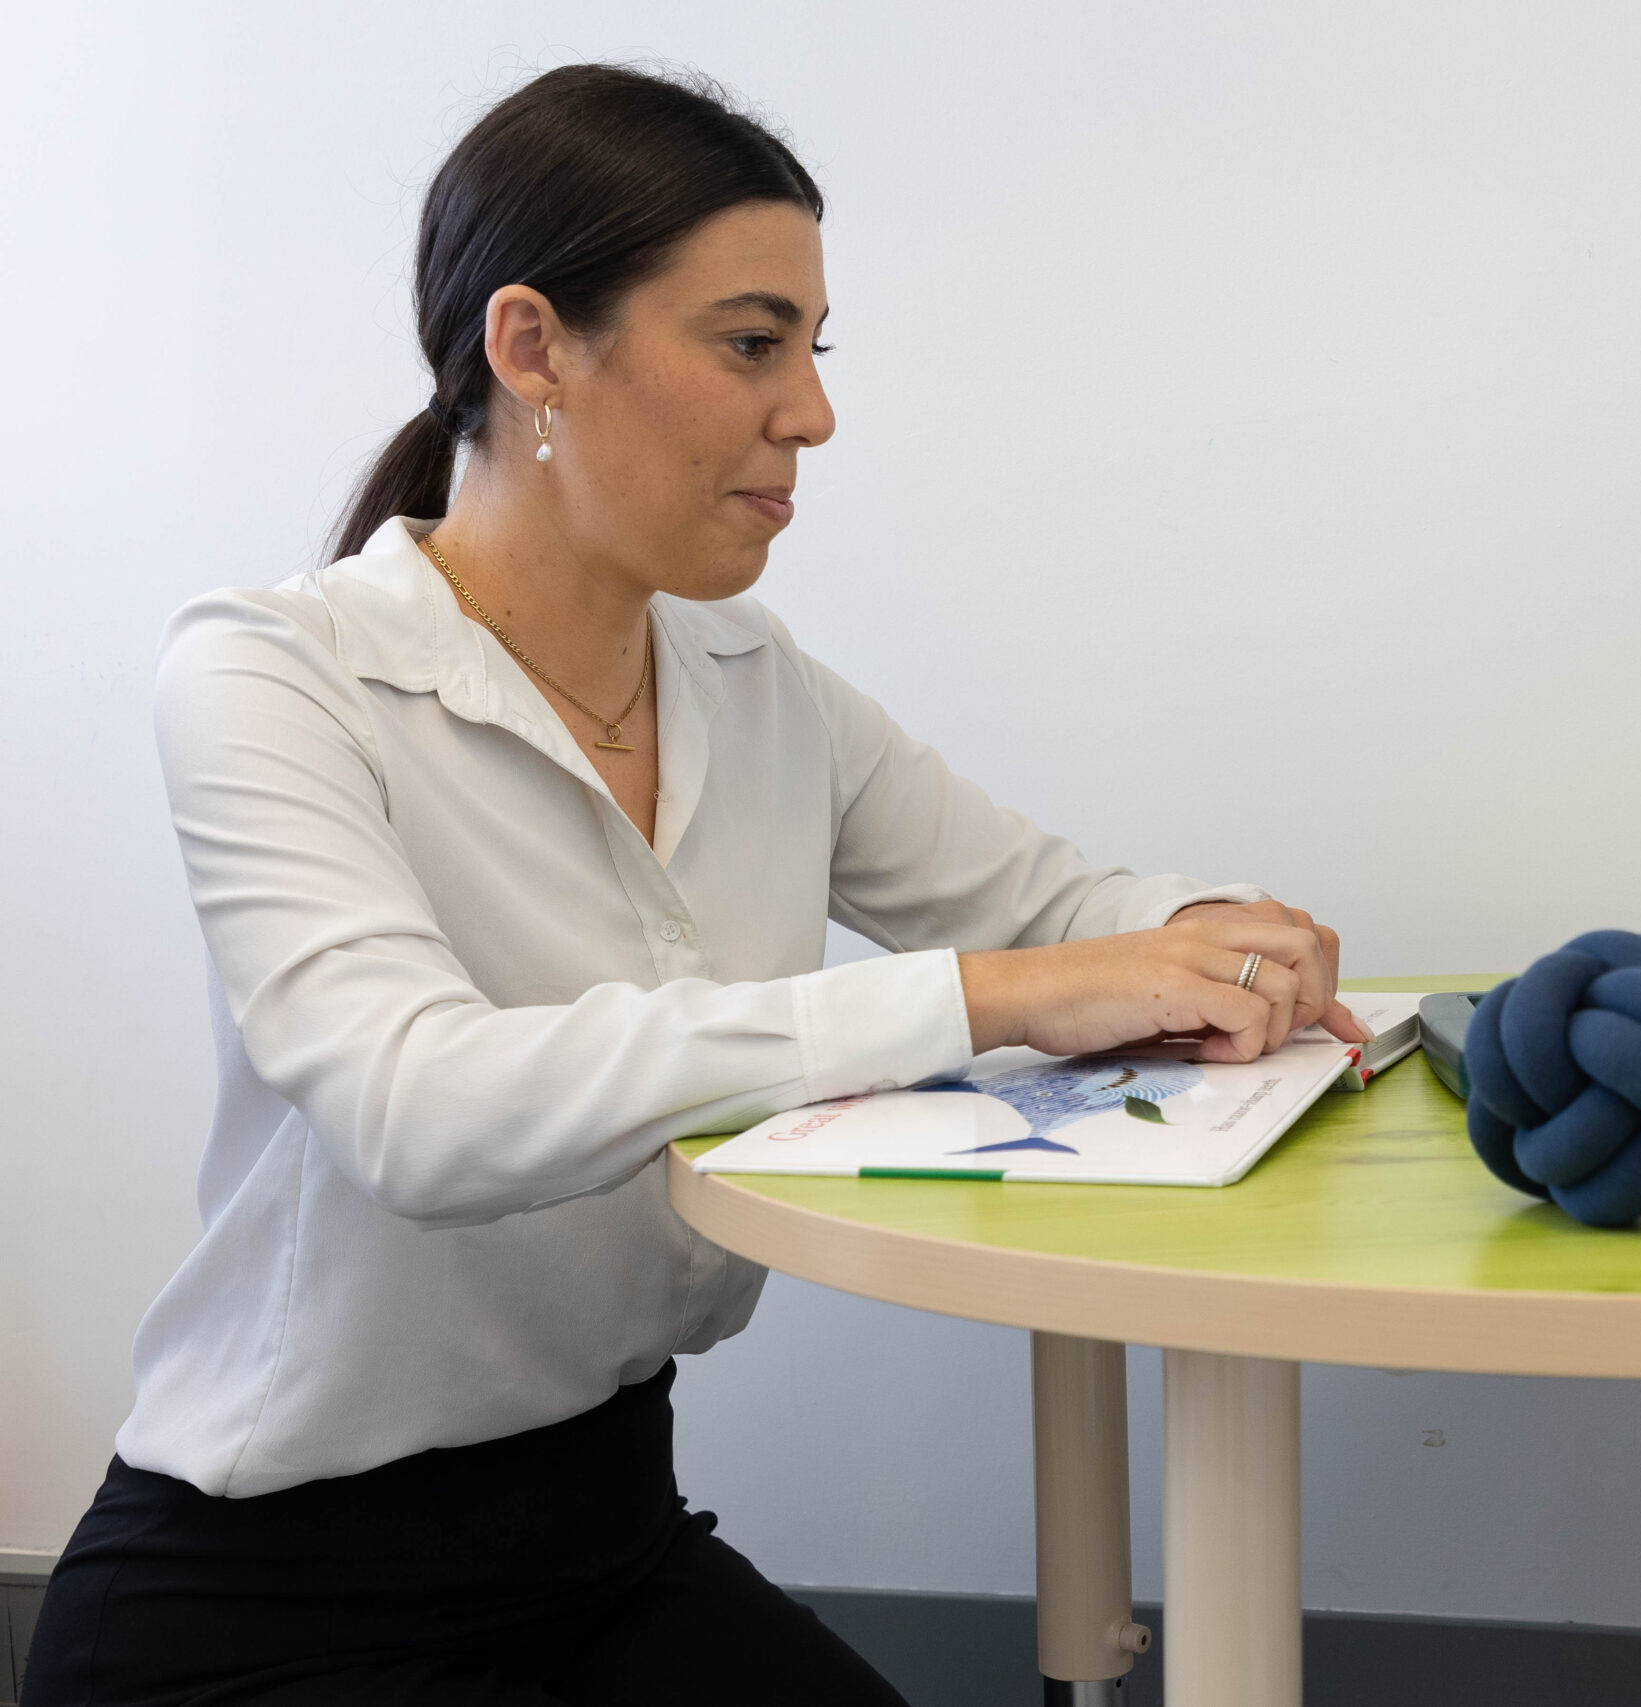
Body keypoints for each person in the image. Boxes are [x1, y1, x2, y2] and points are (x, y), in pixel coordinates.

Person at [24, 64, 1361, 1706]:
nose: (810, 413)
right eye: (751, 344)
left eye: (812, 349)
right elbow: (414, 1108)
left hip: (606, 1541)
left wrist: (1223, 934)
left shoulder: (748, 677)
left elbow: (1042, 902)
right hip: (270, 1599)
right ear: (531, 351)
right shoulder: (271, 674)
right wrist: (989, 1000)